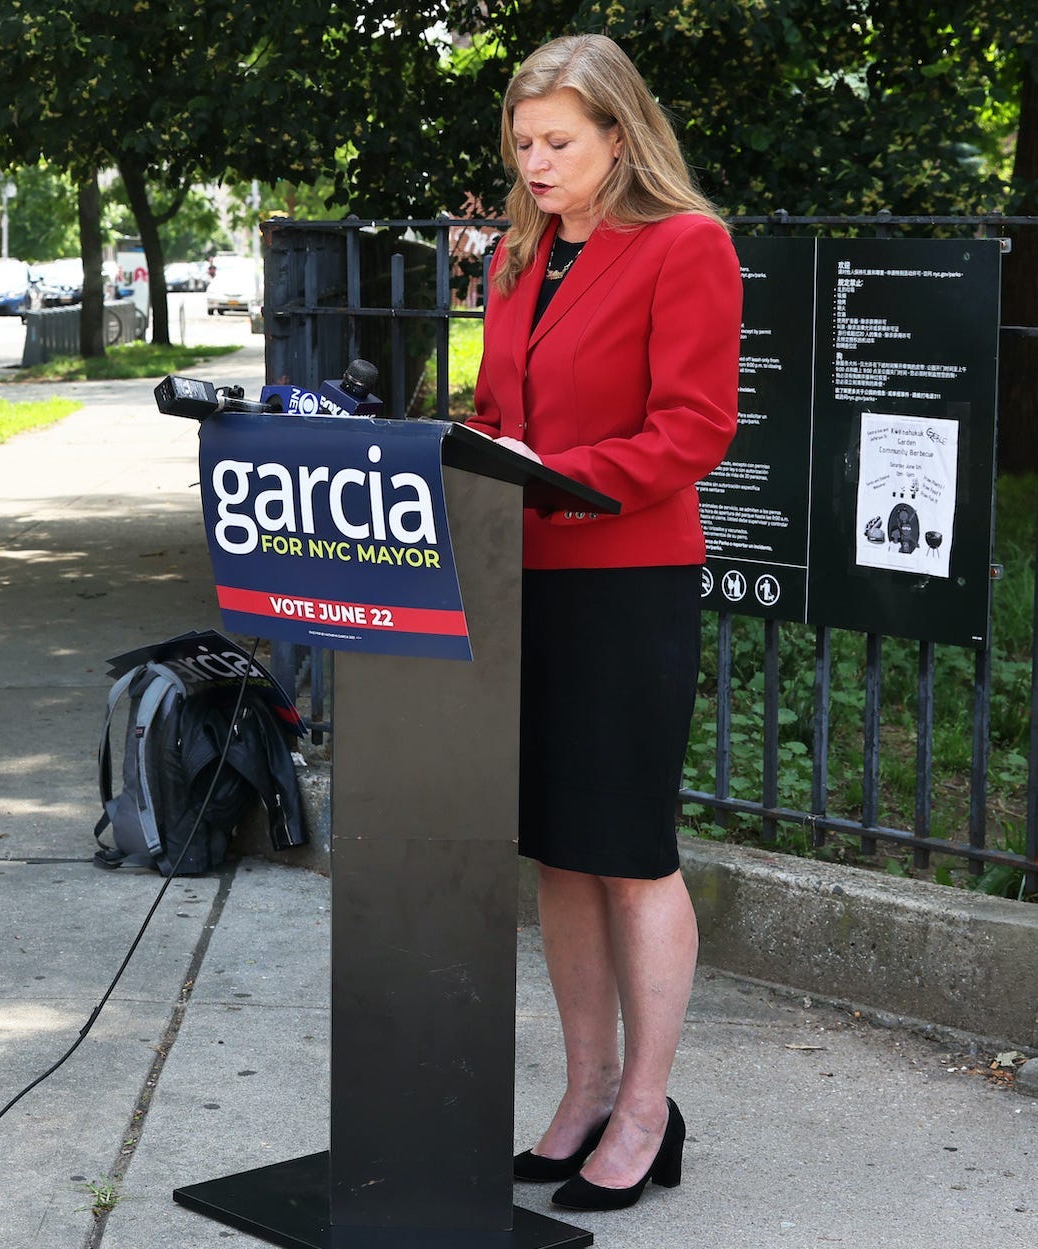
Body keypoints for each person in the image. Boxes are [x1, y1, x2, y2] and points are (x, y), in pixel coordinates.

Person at [467, 34, 738, 1213]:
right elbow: (493, 409)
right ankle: (582, 1092)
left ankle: (645, 1109)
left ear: (619, 138)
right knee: (561, 853)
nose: (535, 161)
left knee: (627, 854)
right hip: (525, 578)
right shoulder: (516, 258)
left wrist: (558, 475)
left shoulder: (687, 246)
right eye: (523, 142)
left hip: (626, 576)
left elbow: (694, 427)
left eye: (558, 142)